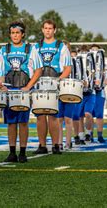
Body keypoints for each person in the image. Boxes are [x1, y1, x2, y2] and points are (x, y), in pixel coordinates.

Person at [0, 21, 43, 163]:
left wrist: (28, 86)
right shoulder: (4, 50)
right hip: (10, 89)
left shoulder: (31, 49)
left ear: (23, 34)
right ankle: (12, 153)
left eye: (17, 33)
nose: (15, 35)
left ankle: (22, 152)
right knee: (11, 123)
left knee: (23, 122)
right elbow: (1, 70)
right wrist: (2, 84)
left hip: (24, 89)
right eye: (12, 33)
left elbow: (38, 70)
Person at [33, 20, 71, 154]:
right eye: (45, 28)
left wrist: (58, 81)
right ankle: (42, 145)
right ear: (42, 30)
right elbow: (32, 66)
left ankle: (56, 145)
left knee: (53, 116)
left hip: (54, 82)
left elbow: (67, 68)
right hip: (39, 83)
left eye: (50, 28)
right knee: (40, 116)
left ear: (55, 30)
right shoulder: (36, 47)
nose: (48, 30)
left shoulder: (61, 46)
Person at [57, 42, 78, 150]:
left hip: (70, 90)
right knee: (59, 119)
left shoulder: (74, 61)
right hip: (59, 91)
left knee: (68, 119)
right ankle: (59, 142)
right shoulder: (57, 61)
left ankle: (68, 142)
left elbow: (78, 74)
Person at [90, 44, 107, 143]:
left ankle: (99, 135)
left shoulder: (104, 66)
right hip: (89, 93)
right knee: (88, 114)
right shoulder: (87, 64)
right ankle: (88, 134)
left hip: (100, 93)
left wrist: (102, 83)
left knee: (99, 115)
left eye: (96, 50)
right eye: (93, 50)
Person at [77, 45, 96, 143]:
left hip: (90, 93)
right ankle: (80, 135)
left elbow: (96, 76)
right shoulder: (77, 63)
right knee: (79, 116)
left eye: (85, 52)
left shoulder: (92, 63)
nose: (83, 54)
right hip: (80, 93)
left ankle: (88, 133)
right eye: (81, 52)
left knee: (88, 114)